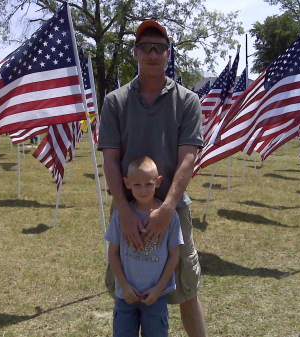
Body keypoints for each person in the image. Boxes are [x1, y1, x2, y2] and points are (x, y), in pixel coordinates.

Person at [98, 19, 207, 337]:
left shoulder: (187, 101)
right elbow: (110, 159)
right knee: (127, 291)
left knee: (187, 289)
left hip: (175, 210)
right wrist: (125, 211)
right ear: (135, 52)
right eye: (145, 47)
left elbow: (188, 157)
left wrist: (167, 209)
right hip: (126, 208)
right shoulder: (114, 102)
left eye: (159, 48)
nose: (152, 53)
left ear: (168, 54)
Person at [105, 155, 183, 337]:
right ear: (127, 183)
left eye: (148, 183)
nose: (143, 190)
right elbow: (113, 253)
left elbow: (174, 256)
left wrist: (159, 288)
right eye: (137, 184)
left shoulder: (169, 218)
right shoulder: (121, 216)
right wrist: (124, 285)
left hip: (155, 296)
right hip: (126, 296)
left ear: (158, 182)